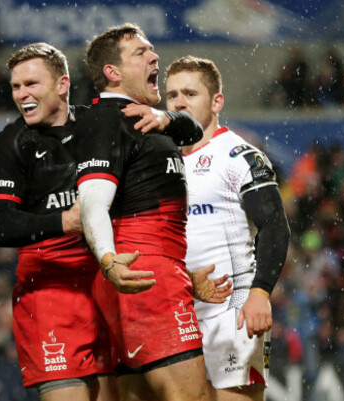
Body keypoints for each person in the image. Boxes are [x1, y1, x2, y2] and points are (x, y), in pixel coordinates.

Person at [0, 42, 204, 401]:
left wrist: (167, 117)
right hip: (51, 293)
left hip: (110, 284)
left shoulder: (98, 122)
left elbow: (193, 129)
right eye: (16, 87)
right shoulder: (11, 144)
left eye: (31, 84)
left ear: (62, 85)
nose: (22, 94)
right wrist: (66, 221)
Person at [74, 23, 213, 401]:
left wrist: (169, 118)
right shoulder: (108, 119)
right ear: (112, 73)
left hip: (140, 273)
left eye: (152, 50)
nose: (154, 57)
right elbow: (92, 201)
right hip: (146, 273)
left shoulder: (140, 118)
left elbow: (195, 130)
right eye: (140, 52)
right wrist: (107, 259)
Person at [165, 55, 291, 401]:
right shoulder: (161, 160)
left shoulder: (238, 155)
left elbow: (275, 226)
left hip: (231, 312)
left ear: (216, 101)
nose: (179, 102)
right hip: (177, 309)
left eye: (190, 93)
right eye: (172, 95)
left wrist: (260, 292)